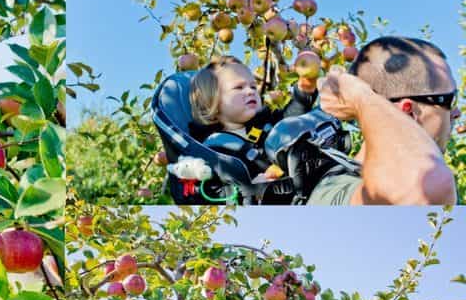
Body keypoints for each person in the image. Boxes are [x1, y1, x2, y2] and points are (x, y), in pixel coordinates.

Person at [308, 36, 460, 205]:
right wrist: (361, 98)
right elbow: (427, 186)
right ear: (408, 113)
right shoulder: (338, 190)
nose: (457, 112)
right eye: (450, 100)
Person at [188, 56, 317, 186]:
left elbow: (290, 119)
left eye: (253, 87)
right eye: (238, 87)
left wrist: (304, 91)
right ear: (212, 103)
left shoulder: (265, 123)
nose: (250, 91)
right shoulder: (214, 150)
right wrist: (250, 188)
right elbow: (217, 190)